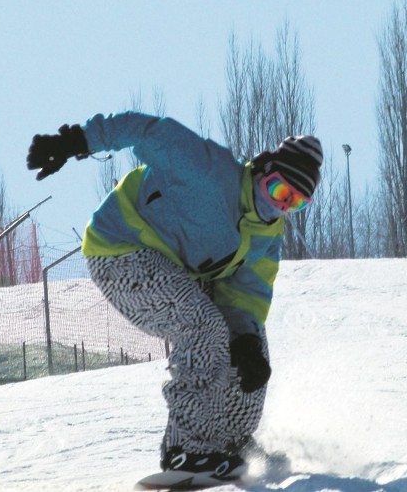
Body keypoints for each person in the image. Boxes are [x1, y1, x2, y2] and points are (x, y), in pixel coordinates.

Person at [26, 112, 322, 481]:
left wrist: (245, 339)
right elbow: (146, 131)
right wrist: (73, 143)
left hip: (179, 271)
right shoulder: (208, 169)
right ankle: (186, 449)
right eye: (279, 190)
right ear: (262, 170)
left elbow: (247, 292)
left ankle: (229, 441)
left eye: (295, 203)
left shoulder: (268, 236)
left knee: (251, 347)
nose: (279, 206)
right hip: (121, 249)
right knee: (203, 327)